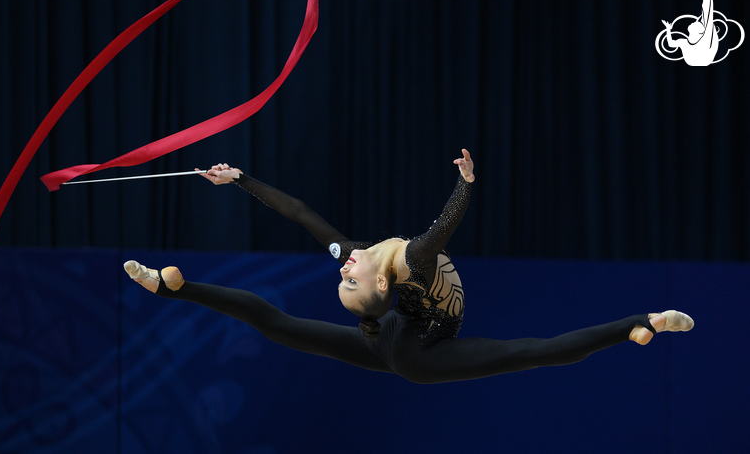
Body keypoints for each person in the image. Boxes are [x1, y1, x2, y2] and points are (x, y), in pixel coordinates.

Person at [124, 149, 693, 384]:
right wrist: (465, 183)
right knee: (532, 351)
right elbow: (442, 228)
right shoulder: (410, 262)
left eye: (342, 276)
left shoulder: (360, 260)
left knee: (278, 325)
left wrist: (240, 179)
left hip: (389, 338)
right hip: (421, 355)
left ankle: (172, 289)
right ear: (378, 281)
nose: (342, 267)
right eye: (348, 278)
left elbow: (300, 214)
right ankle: (640, 322)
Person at [662, 0, 718, 66]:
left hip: (702, 57)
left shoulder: (697, 40)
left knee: (707, 13)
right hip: (700, 58)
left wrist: (668, 29)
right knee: (707, 14)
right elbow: (671, 44)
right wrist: (668, 29)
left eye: (697, 23)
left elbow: (708, 12)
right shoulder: (686, 42)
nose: (695, 21)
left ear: (699, 31)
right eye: (698, 23)